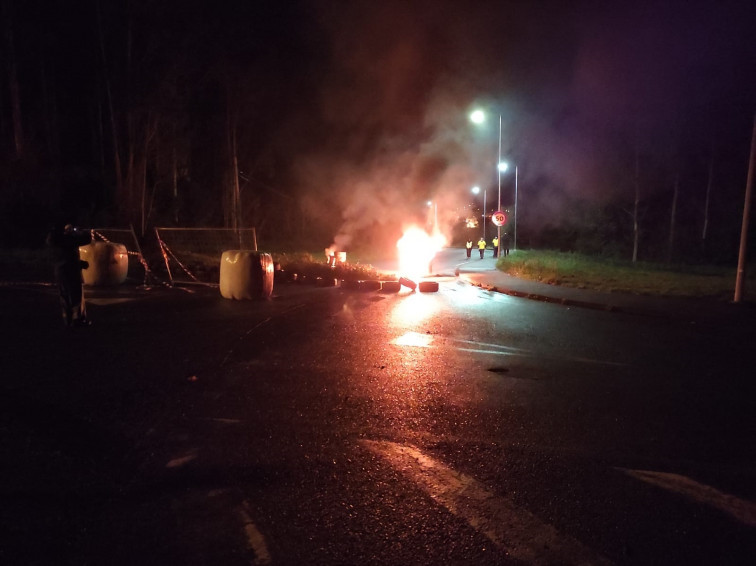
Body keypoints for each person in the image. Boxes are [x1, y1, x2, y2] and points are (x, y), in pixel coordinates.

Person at [47, 223, 92, 327]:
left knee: (65, 296)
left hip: (60, 271)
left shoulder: (54, 241)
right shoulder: (69, 239)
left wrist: (80, 263)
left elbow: (65, 256)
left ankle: (67, 320)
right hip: (72, 271)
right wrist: (78, 231)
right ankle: (78, 320)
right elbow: (87, 238)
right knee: (76, 296)